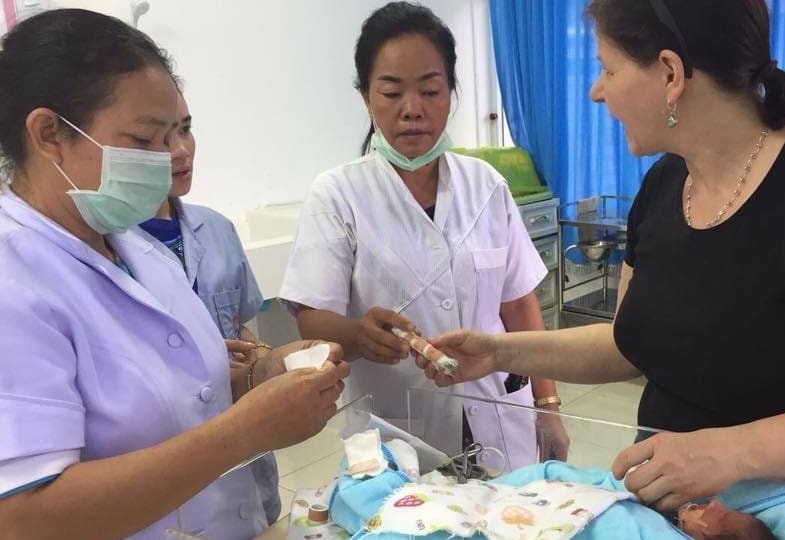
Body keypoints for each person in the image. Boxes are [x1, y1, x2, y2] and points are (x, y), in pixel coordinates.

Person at [415, 0, 785, 511]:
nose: (597, 92)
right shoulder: (667, 183)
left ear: (670, 74)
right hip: (680, 503)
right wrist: (500, 352)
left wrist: (730, 452)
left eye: (608, 69)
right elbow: (631, 343)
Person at [0, 9, 349, 539]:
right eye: (144, 141)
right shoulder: (15, 282)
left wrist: (261, 377)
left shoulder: (137, 249)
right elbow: (23, 517)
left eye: (175, 136)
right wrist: (248, 430)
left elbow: (182, 393)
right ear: (49, 133)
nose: (168, 160)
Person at [280, 1, 568, 468]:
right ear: (366, 97)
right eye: (391, 93)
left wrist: (548, 407)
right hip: (400, 430)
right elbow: (312, 322)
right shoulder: (338, 195)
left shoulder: (486, 185)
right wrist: (360, 334)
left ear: (452, 92)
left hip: (498, 412)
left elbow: (518, 304)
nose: (412, 110)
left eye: (431, 91)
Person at [135, 92, 282, 524]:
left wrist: (270, 362)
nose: (181, 151)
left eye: (184, 128)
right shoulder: (105, 249)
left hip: (250, 467)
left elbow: (244, 331)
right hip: (168, 480)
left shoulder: (216, 229)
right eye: (155, 138)